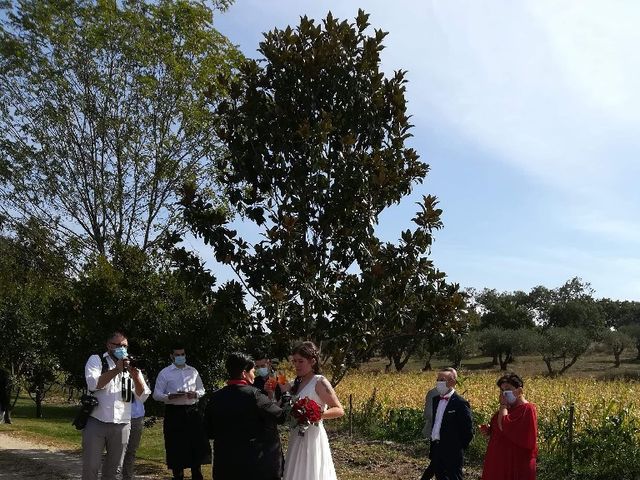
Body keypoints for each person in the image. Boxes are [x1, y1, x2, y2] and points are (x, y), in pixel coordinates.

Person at [205, 352, 287, 480]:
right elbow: (281, 417)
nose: (255, 374)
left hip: (225, 463)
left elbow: (209, 431)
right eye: (253, 371)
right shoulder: (255, 395)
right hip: (252, 463)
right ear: (244, 373)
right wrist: (286, 394)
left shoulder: (215, 397)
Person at [82, 331, 150, 480]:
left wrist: (135, 375)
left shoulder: (130, 365)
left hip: (122, 424)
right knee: (91, 467)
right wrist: (116, 370)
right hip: (97, 420)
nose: (122, 349)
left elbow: (142, 395)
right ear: (108, 345)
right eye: (118, 345)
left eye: (124, 346)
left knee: (114, 470)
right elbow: (93, 384)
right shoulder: (97, 360)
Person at [282, 341, 344, 480]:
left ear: (312, 361)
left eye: (301, 361)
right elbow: (281, 403)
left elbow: (339, 410)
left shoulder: (319, 382)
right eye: (295, 361)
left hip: (313, 435)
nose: (296, 365)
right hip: (296, 435)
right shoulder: (295, 383)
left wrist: (316, 414)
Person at [153, 344, 209, 480]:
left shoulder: (193, 371)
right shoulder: (165, 373)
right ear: (171, 356)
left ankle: (197, 472)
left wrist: (195, 394)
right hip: (174, 412)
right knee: (176, 444)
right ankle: (178, 475)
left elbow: (202, 390)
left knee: (195, 443)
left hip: (192, 410)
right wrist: (168, 397)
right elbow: (156, 394)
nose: (180, 357)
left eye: (182, 354)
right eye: (177, 355)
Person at [480, 373, 538, 480]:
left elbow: (505, 426)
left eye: (507, 389)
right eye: (502, 390)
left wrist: (503, 405)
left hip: (515, 463)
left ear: (519, 391)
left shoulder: (527, 409)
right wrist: (489, 430)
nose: (504, 394)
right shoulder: (507, 409)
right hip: (499, 463)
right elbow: (498, 427)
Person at [424, 367, 473, 480]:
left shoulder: (460, 403)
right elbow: (436, 422)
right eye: (438, 379)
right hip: (437, 447)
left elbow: (468, 430)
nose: (439, 382)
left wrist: (457, 447)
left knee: (454, 477)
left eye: (442, 380)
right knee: (439, 476)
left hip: (452, 450)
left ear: (452, 382)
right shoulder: (436, 400)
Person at [419, 384, 440, 480]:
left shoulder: (454, 394)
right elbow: (427, 414)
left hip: (448, 435)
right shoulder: (433, 393)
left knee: (438, 462)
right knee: (437, 462)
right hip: (435, 433)